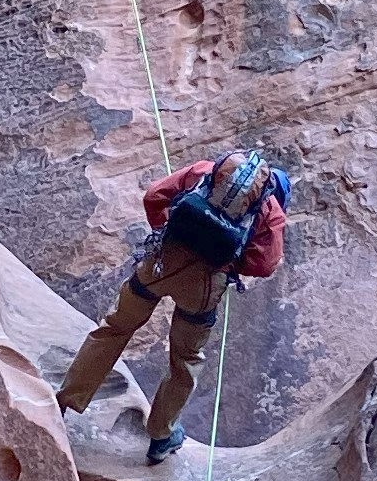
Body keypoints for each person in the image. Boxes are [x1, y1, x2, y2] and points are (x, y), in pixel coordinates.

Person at [56, 145, 290, 461]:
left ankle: (68, 398)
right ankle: (161, 437)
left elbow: (154, 196)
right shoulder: (269, 211)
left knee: (115, 328)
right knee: (185, 357)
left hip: (161, 263)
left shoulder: (204, 172)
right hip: (205, 284)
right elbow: (265, 265)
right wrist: (230, 263)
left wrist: (166, 231)